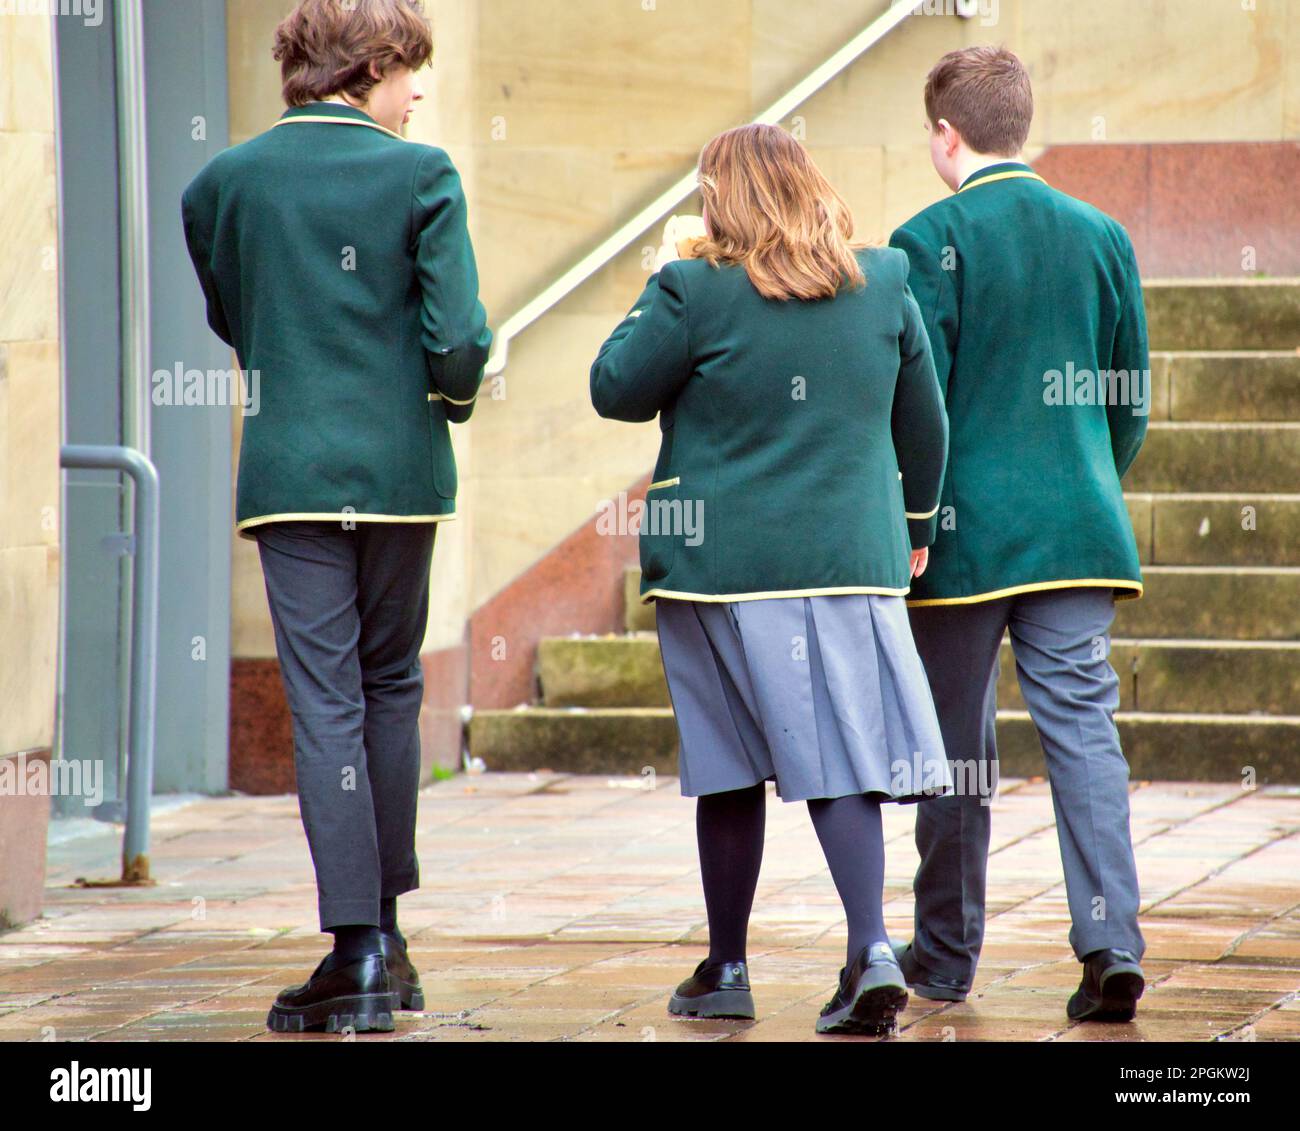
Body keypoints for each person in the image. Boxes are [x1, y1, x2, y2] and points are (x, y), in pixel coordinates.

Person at [590, 123, 952, 1037]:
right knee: (844, 759)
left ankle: (731, 967)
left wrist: (663, 274)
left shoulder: (693, 287)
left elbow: (614, 386)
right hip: (850, 561)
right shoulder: (884, 283)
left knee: (727, 767)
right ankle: (869, 946)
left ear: (722, 199)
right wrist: (913, 530)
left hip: (722, 568)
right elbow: (927, 425)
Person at [181, 0, 491, 1033]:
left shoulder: (222, 182)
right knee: (390, 689)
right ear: (372, 64)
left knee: (324, 705)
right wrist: (442, 401)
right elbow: (458, 343)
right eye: (412, 74)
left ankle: (358, 951)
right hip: (401, 472)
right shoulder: (421, 173)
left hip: (291, 471)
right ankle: (384, 942)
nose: (417, 95)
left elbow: (237, 315)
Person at [888, 45, 1149, 1022]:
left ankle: (947, 957)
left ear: (944, 134)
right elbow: (1129, 400)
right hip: (1078, 530)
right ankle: (1109, 940)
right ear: (1020, 125)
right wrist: (1085, 481)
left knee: (956, 752)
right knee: (1084, 737)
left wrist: (914, 518)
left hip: (957, 541)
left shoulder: (923, 238)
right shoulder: (1101, 235)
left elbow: (915, 409)